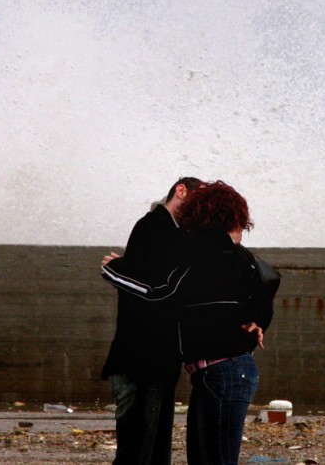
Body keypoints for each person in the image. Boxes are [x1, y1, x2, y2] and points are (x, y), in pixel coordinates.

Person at [102, 181, 274, 465]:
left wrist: (114, 271)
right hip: (220, 373)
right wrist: (258, 320)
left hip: (220, 373)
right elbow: (268, 282)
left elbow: (162, 292)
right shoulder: (239, 257)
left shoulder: (206, 252)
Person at [100, 177, 203, 465]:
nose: (200, 211)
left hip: (151, 364)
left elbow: (149, 280)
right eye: (198, 201)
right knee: (141, 453)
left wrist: (119, 269)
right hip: (142, 364)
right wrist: (116, 270)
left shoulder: (167, 231)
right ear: (180, 191)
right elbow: (159, 290)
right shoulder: (156, 227)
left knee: (146, 452)